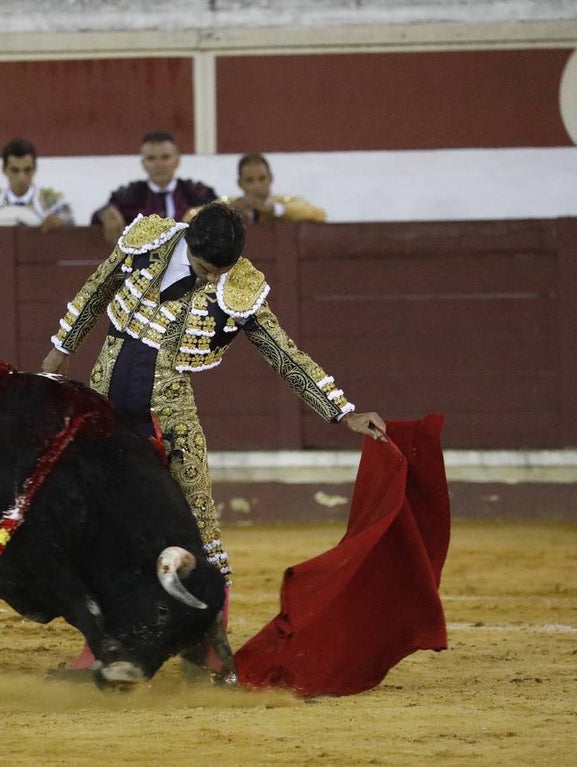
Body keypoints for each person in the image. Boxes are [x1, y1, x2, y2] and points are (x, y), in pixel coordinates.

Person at [42, 201, 385, 671]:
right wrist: (59, 353)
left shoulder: (238, 286)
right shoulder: (149, 242)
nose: (210, 281)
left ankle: (209, 650)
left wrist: (342, 411)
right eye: (204, 270)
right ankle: (103, 644)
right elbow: (96, 289)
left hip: (170, 417)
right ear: (189, 242)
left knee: (200, 526)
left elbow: (285, 356)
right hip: (106, 411)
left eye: (218, 273)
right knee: (106, 527)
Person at [91, 130, 217, 244]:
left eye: (165, 157)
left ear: (177, 160)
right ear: (143, 164)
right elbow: (101, 215)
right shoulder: (128, 196)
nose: (159, 164)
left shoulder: (197, 193)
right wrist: (105, 214)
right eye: (151, 158)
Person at [227, 153, 327, 224]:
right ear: (240, 183)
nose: (257, 186)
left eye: (262, 179)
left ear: (271, 178)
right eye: (249, 180)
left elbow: (320, 215)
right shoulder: (233, 206)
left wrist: (276, 209)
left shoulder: (286, 204)